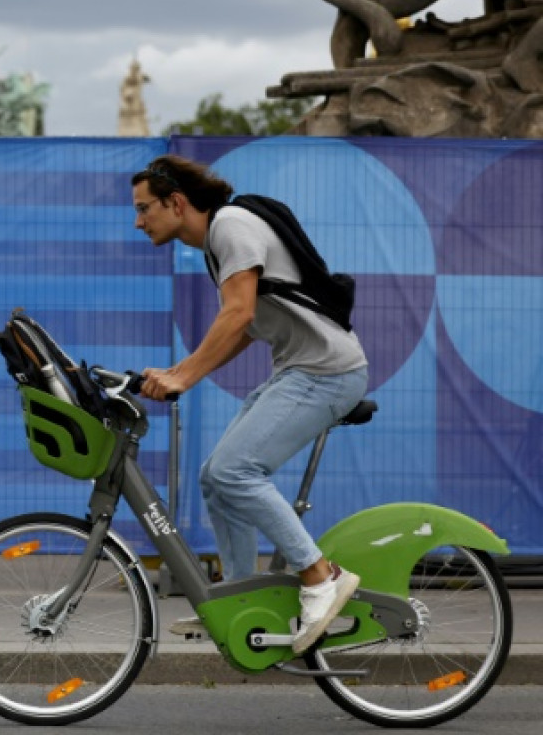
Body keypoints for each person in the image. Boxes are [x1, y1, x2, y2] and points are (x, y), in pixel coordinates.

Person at [130, 154, 368, 656]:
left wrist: (183, 376)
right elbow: (247, 325)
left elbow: (238, 314)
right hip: (302, 370)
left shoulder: (231, 227)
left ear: (176, 202)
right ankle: (241, 599)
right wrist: (180, 373)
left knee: (237, 472)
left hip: (326, 372)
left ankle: (321, 578)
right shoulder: (219, 245)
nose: (138, 220)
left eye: (144, 208)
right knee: (216, 478)